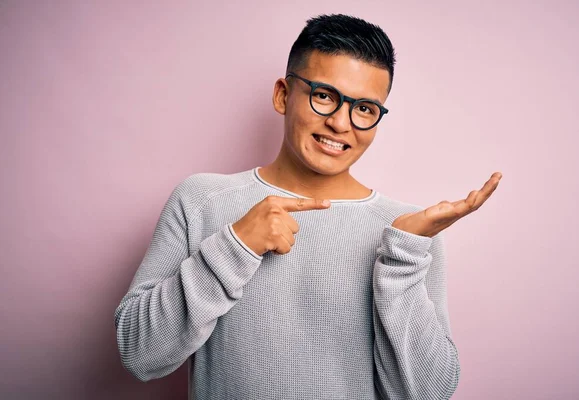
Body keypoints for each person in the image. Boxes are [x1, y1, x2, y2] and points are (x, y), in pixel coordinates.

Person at [114, 13, 502, 400]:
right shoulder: (200, 201)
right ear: (283, 95)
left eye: (365, 108)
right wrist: (235, 245)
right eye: (324, 96)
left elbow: (428, 393)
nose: (340, 122)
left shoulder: (409, 234)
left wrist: (404, 261)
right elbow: (138, 352)